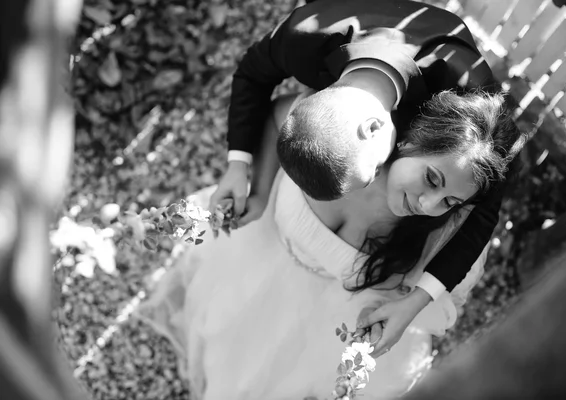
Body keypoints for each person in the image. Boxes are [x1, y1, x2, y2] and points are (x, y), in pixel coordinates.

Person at [136, 88, 526, 399]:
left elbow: (438, 297)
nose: (428, 205)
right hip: (257, 263)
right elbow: (279, 113)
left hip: (325, 328)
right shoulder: (337, 138)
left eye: (449, 202)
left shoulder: (445, 233)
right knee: (226, 345)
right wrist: (259, 188)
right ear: (412, 140)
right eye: (432, 180)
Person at [208, 0, 511, 356]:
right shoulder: (304, 36)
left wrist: (416, 301)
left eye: (367, 179)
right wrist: (238, 165)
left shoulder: (466, 94)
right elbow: (251, 74)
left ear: (385, 129)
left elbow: (489, 201)